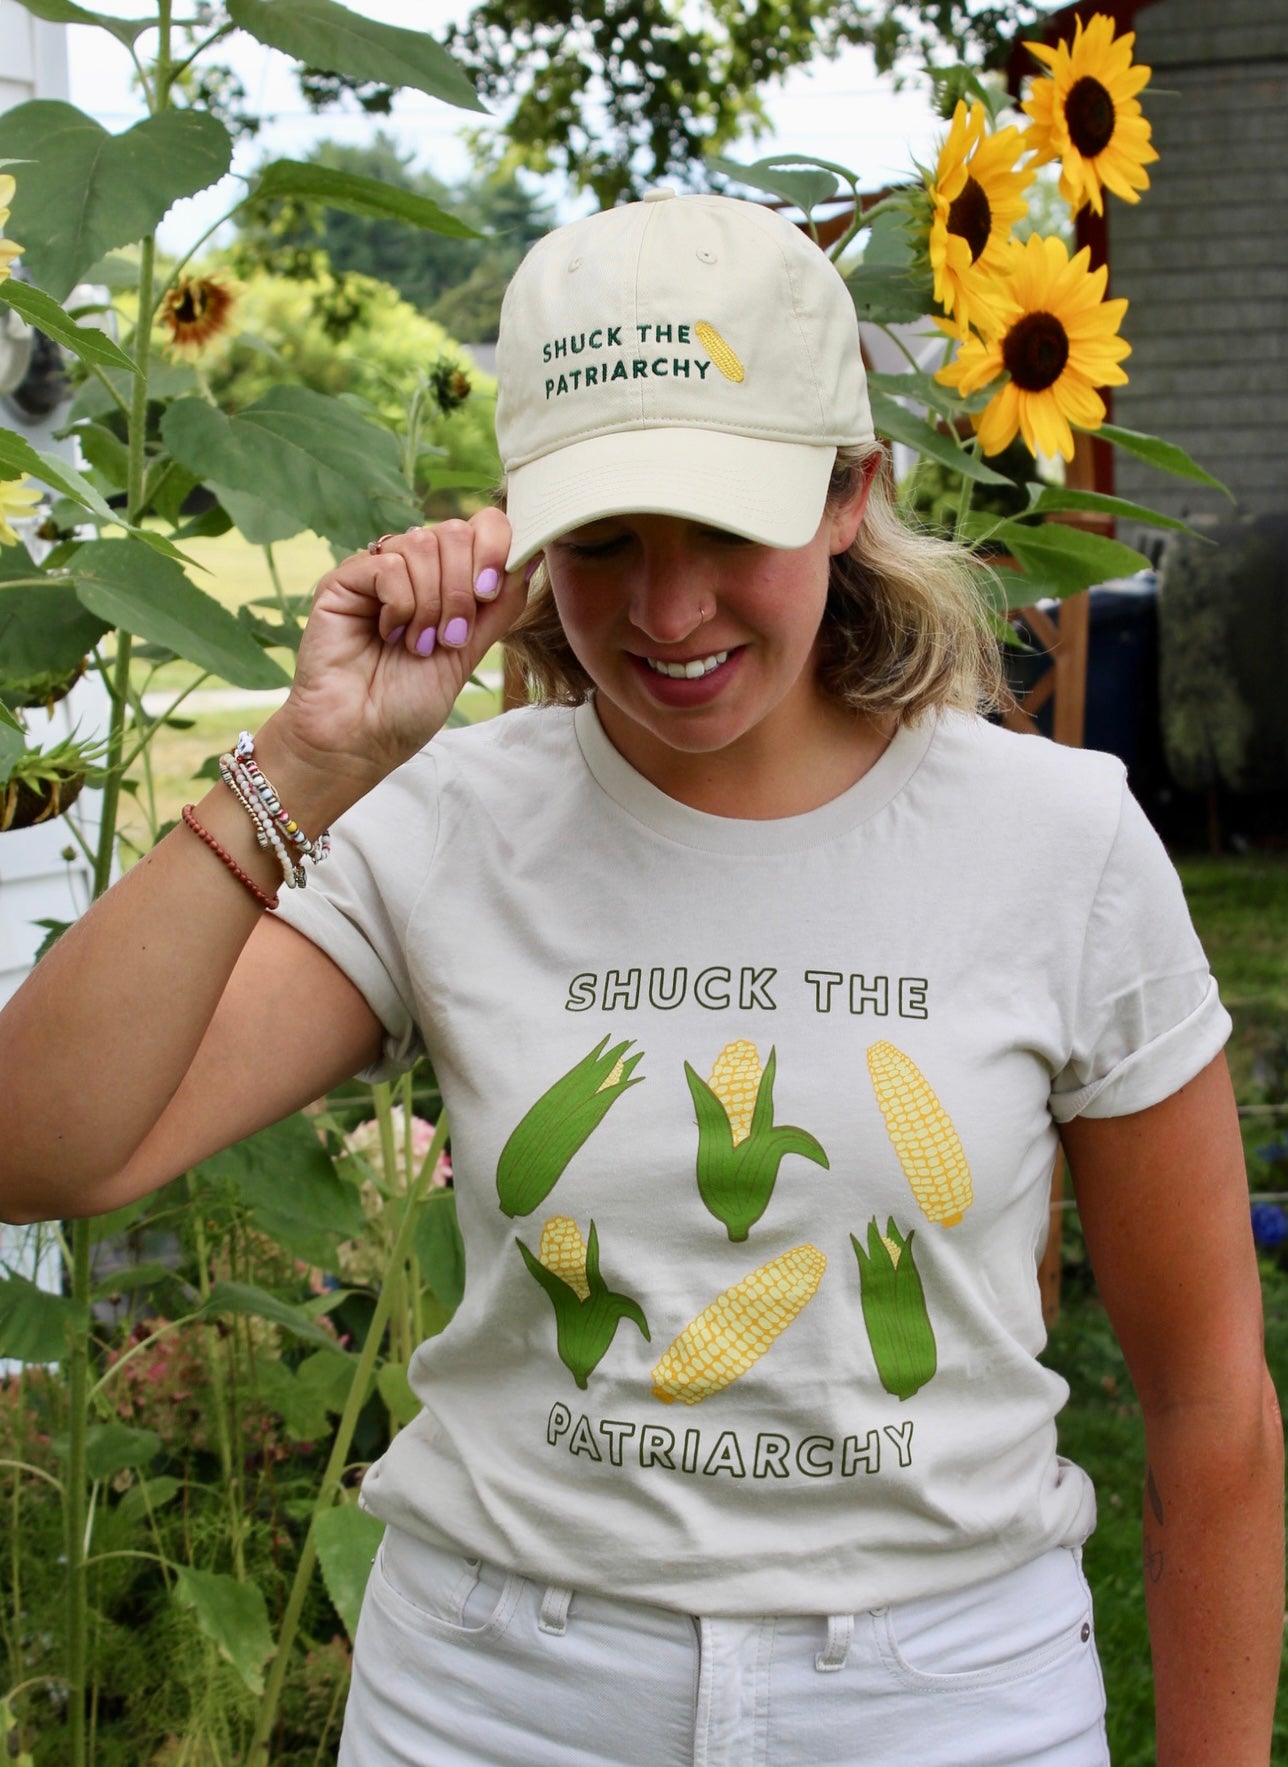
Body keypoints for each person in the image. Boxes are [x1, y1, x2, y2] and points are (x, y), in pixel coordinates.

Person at [0, 192, 1280, 1766]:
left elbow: (1214, 1410)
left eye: (728, 533)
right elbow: (41, 1149)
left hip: (944, 1697)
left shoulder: (1056, 845)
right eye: (601, 543)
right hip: (494, 1695)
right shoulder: (450, 827)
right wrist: (304, 764)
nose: (668, 615)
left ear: (847, 493)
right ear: (525, 531)